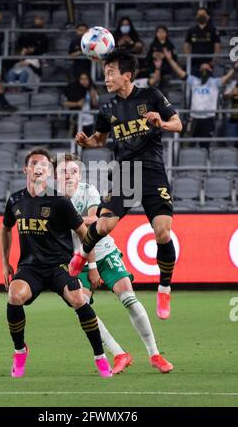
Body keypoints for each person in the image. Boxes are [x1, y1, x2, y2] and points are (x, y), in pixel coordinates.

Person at [70, 49, 183, 320]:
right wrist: (88, 142)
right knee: (104, 224)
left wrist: (160, 122)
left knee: (163, 233)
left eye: (111, 73)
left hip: (153, 172)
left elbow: (178, 124)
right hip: (124, 173)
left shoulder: (151, 96)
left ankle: (164, 287)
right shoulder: (107, 108)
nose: (106, 77)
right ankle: (83, 253)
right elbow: (100, 139)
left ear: (127, 76)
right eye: (105, 72)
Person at [55, 153, 174, 374]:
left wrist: (91, 265)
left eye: (73, 171)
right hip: (75, 258)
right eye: (64, 172)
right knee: (82, 306)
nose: (69, 175)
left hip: (102, 251)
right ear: (56, 176)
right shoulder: (51, 199)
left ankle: (154, 354)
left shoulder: (87, 190)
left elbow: (93, 222)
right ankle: (119, 353)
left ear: (79, 174)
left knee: (128, 297)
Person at [0, 147, 112, 378]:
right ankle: (20, 351)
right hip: (30, 267)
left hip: (60, 266)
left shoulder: (60, 201)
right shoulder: (15, 200)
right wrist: (5, 263)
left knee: (79, 299)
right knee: (14, 295)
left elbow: (84, 233)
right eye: (34, 164)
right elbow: (5, 229)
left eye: (43, 165)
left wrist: (91, 267)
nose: (38, 168)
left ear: (49, 172)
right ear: (26, 169)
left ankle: (100, 357)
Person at [163, 47, 238, 141]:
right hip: (194, 117)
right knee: (188, 143)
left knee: (206, 145)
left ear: (211, 70)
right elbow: (179, 72)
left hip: (209, 118)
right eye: (202, 68)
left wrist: (235, 68)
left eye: (206, 68)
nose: (204, 70)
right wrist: (169, 59)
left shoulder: (215, 82)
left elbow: (228, 77)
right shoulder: (194, 81)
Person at [184, 7, 221, 76]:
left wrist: (213, 61)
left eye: (203, 14)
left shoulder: (213, 30)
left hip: (208, 63)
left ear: (208, 17)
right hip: (194, 63)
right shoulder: (191, 30)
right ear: (196, 16)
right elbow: (186, 45)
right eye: (199, 14)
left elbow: (217, 46)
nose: (201, 16)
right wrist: (188, 59)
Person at [63, 72, 99, 137]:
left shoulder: (92, 89)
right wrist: (77, 104)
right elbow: (65, 103)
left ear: (89, 80)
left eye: (86, 79)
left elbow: (95, 104)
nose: (84, 81)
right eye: (82, 79)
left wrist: (93, 96)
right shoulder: (73, 89)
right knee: (76, 142)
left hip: (90, 121)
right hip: (76, 120)